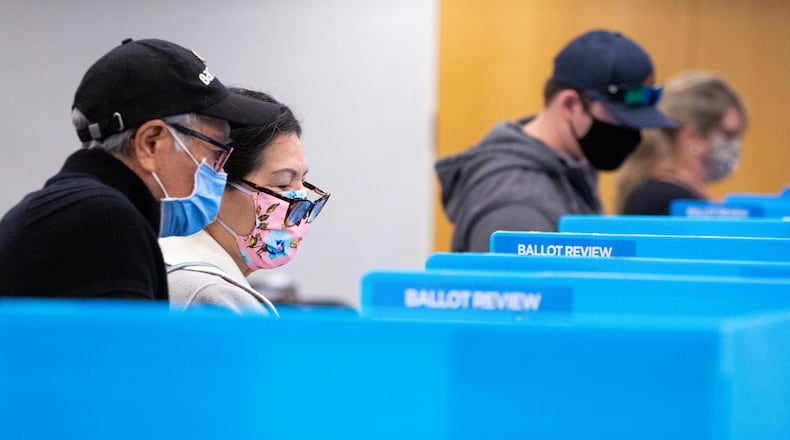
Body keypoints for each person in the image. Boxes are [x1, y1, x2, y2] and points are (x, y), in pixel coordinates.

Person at [0, 38, 281, 300]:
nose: (218, 171)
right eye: (215, 151)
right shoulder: (103, 222)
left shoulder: (71, 208)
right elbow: (124, 353)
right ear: (151, 143)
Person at [434, 30, 676, 252]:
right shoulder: (518, 206)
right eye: (621, 121)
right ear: (570, 105)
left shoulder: (571, 171)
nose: (632, 134)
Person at [160, 88, 329, 314]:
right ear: (212, 185)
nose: (301, 203)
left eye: (302, 182)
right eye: (282, 184)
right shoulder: (208, 295)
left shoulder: (170, 265)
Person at [615, 71, 748, 215]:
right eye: (729, 134)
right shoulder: (663, 201)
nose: (735, 145)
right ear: (693, 137)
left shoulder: (665, 197)